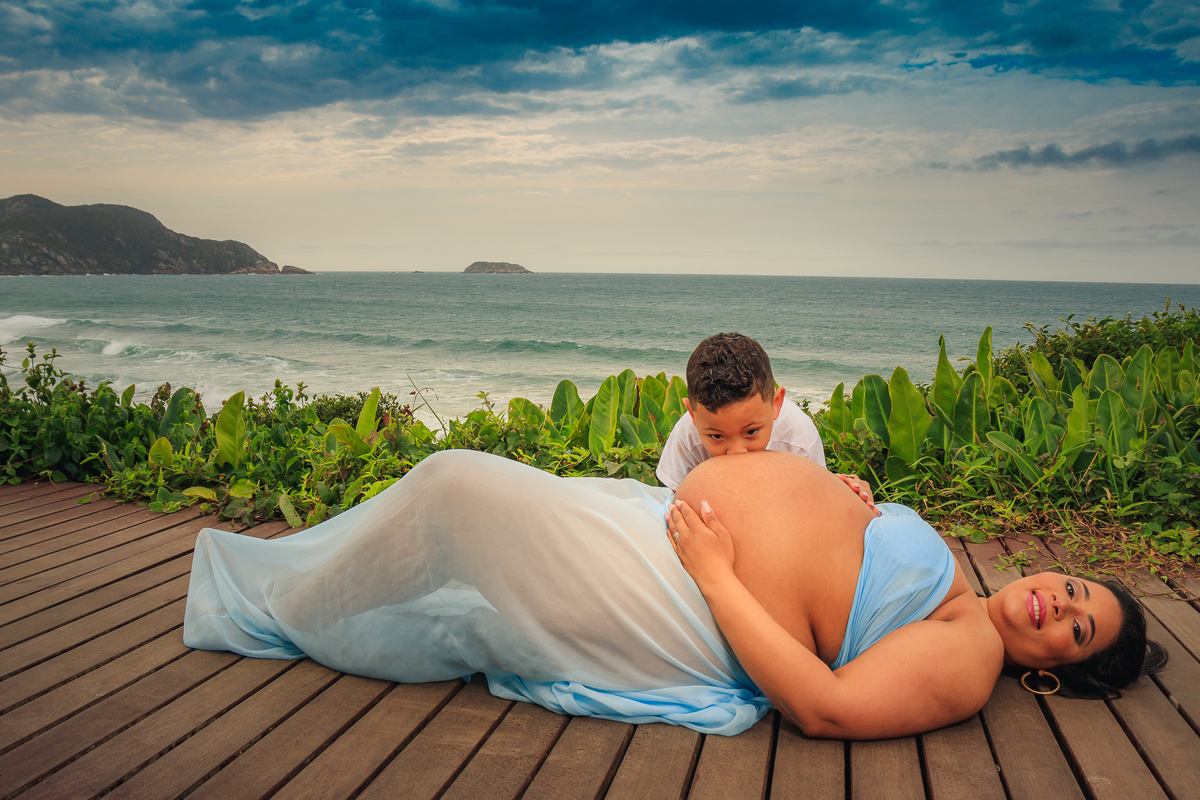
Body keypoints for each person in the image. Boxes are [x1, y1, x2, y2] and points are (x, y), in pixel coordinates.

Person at [184, 449, 1163, 739]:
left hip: (695, 602)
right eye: (1075, 590)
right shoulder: (955, 574)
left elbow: (822, 706)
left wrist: (714, 571)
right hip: (684, 547)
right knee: (464, 519)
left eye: (1077, 634)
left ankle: (298, 606)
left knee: (455, 491)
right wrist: (854, 500)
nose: (1058, 608)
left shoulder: (969, 655)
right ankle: (320, 594)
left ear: (1052, 673)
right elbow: (853, 552)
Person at [656, 332, 826, 491]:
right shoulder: (687, 435)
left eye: (751, 432)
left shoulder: (799, 438)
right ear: (692, 415)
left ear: (775, 404)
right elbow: (677, 499)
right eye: (717, 436)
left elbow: (815, 501)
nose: (737, 453)